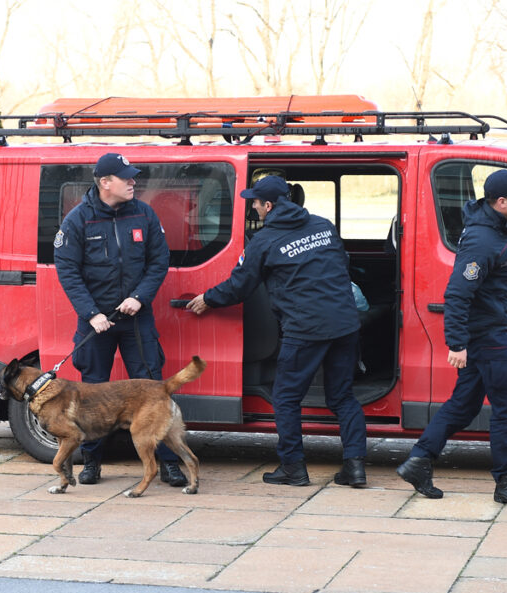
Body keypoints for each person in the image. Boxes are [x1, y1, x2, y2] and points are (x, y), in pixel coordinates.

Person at [187, 175, 367, 487]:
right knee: (342, 397)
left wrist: (208, 299)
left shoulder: (264, 241)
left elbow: (240, 285)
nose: (252, 208)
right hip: (345, 324)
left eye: (254, 202)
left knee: (285, 397)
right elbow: (342, 262)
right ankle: (355, 468)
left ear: (269, 205)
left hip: (305, 328)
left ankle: (293, 468)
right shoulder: (323, 225)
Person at [397, 169, 507, 507]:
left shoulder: (496, 230)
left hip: (486, 332)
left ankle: (419, 460)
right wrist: (457, 343)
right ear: (501, 202)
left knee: (464, 404)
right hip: (487, 336)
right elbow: (458, 294)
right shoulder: (482, 240)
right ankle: (506, 481)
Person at [53, 152, 188, 487]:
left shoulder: (143, 213)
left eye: (133, 177)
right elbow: (68, 272)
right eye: (126, 178)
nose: (133, 183)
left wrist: (139, 297)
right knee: (92, 394)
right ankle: (93, 462)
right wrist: (92, 314)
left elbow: (159, 260)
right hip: (96, 322)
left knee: (153, 391)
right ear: (105, 183)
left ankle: (168, 463)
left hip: (136, 319)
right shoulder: (78, 220)